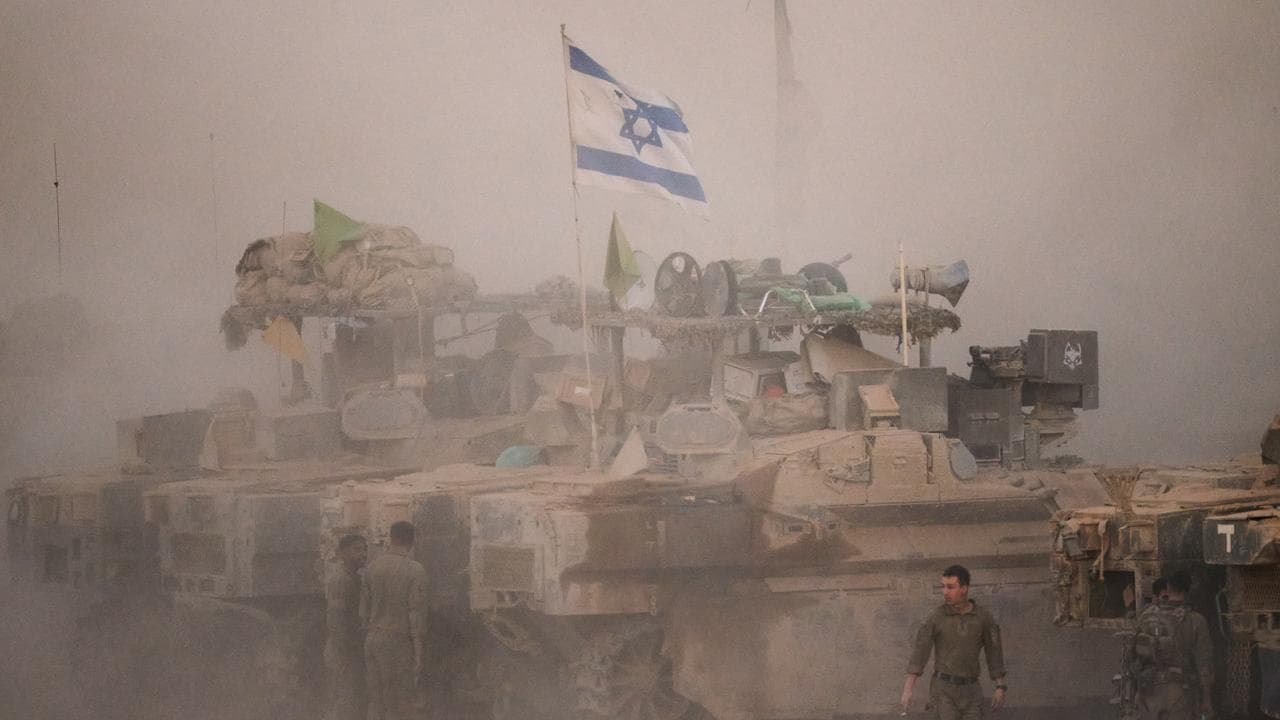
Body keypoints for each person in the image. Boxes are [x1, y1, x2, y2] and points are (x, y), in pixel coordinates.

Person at [900, 565, 1007, 719]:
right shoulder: (937, 617)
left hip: (971, 691)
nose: (945, 592)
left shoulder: (983, 617)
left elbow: (994, 652)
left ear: (964, 589)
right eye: (943, 586)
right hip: (943, 690)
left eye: (950, 587)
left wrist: (1000, 686)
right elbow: (920, 652)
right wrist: (908, 689)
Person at [361, 521, 429, 720]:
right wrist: (418, 652)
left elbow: (363, 612)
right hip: (397, 641)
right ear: (412, 541)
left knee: (376, 699)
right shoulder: (416, 570)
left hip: (372, 639)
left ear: (391, 538)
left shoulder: (372, 568)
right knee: (400, 701)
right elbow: (416, 614)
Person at [1129, 571, 1213, 720]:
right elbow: (1204, 666)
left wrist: (1135, 692)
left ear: (1168, 588)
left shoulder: (1145, 615)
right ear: (1187, 592)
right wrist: (1206, 700)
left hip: (1148, 690)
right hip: (1179, 694)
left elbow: (1133, 656)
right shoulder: (1196, 621)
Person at [325, 534, 368, 720]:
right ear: (342, 553)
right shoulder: (341, 580)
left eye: (364, 549)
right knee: (347, 703)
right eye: (357, 549)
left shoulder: (354, 577)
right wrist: (345, 651)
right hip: (343, 652)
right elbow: (335, 619)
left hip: (351, 651)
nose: (363, 554)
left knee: (356, 701)